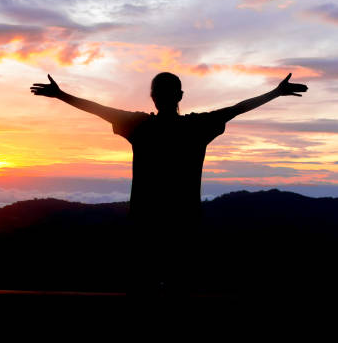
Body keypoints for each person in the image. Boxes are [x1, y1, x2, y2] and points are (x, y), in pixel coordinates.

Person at [30, 72, 308, 293]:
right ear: (181, 95)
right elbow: (237, 109)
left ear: (152, 97)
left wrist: (60, 95)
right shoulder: (196, 127)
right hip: (184, 222)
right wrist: (276, 93)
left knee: (143, 288)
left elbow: (97, 109)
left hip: (145, 222)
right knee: (180, 287)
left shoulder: (140, 126)